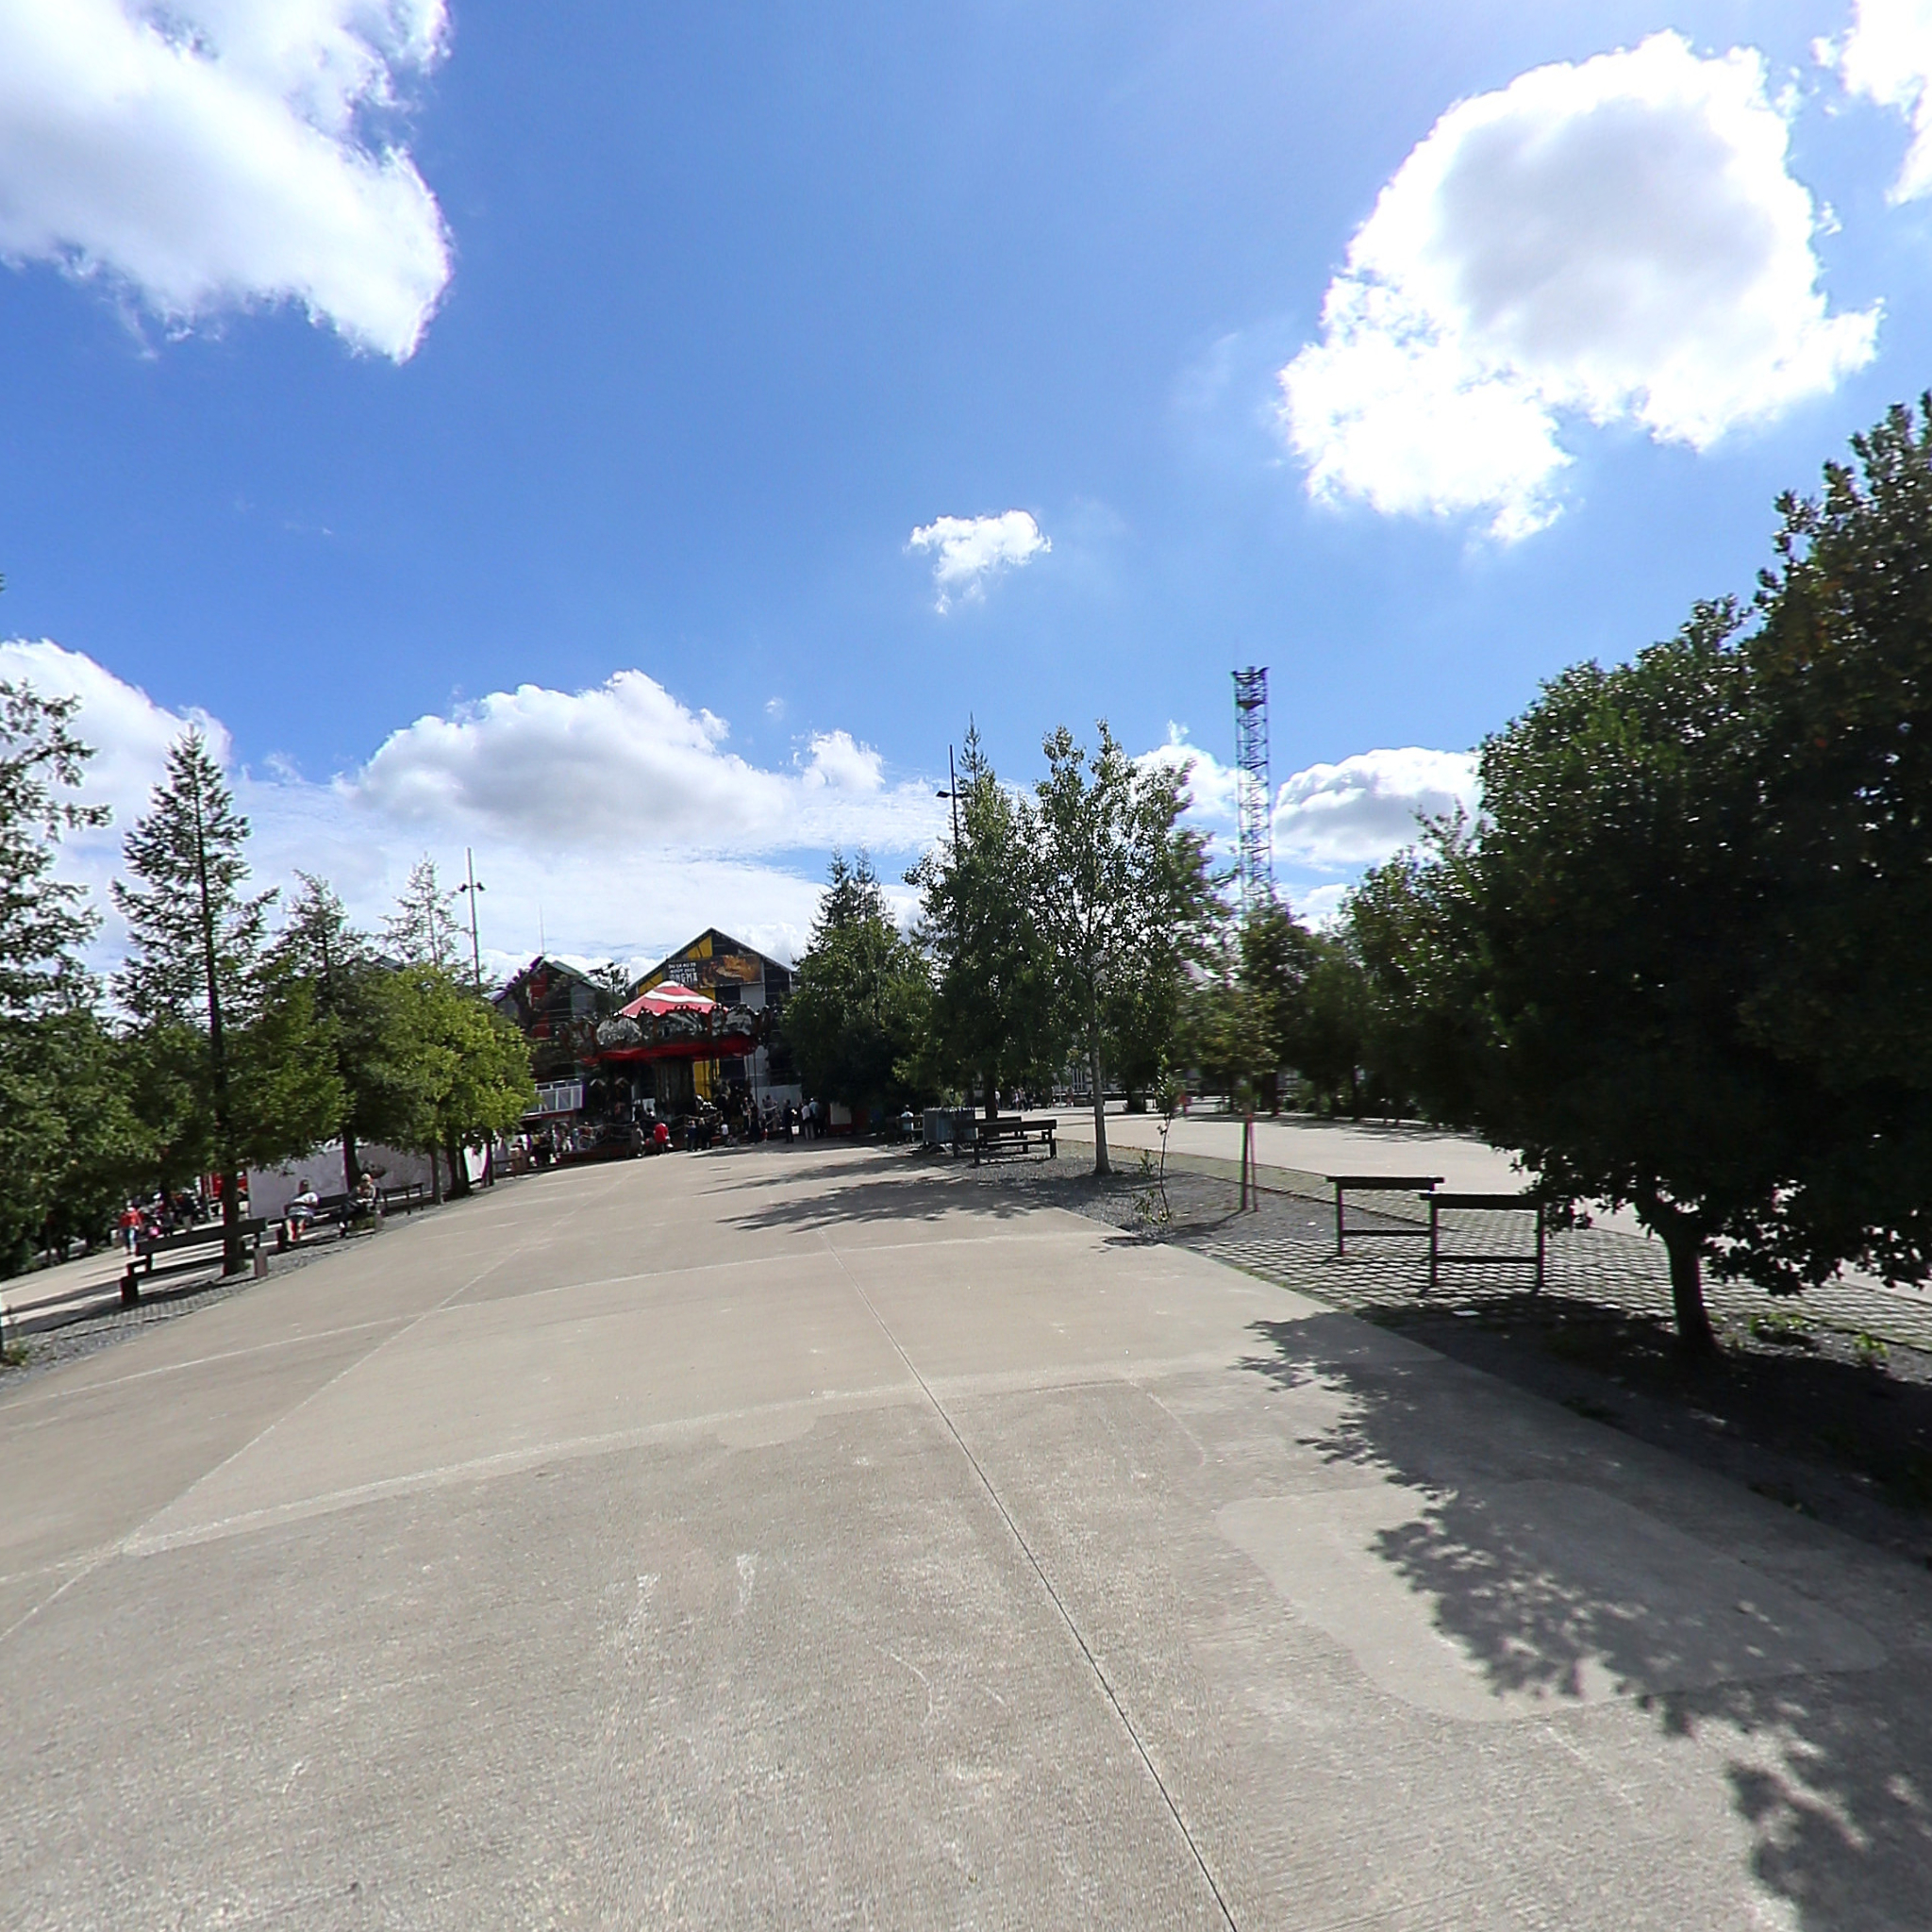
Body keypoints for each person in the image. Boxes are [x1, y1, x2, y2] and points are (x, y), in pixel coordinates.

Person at [287, 1179, 320, 1243]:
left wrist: (301, 1203)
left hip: (304, 1214)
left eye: (305, 1186)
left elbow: (314, 1204)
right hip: (293, 1214)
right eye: (302, 1186)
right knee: (288, 1223)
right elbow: (289, 1205)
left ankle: (297, 1239)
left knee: (300, 1224)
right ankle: (290, 1239)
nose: (303, 1187)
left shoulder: (311, 1195)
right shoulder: (295, 1197)